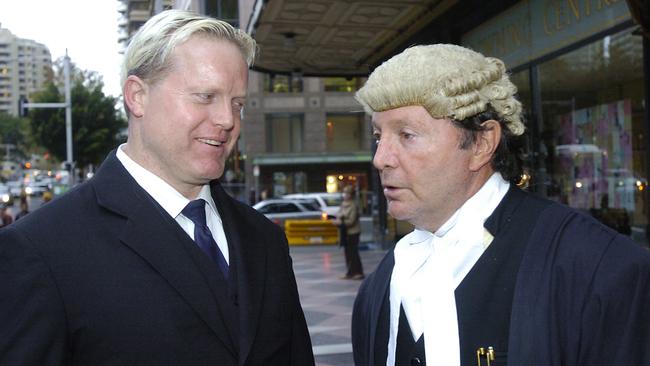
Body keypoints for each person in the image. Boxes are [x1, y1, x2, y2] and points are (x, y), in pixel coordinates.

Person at [0, 10, 314, 366]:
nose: (228, 120)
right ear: (137, 96)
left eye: (237, 104)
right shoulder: (40, 250)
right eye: (204, 96)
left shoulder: (264, 239)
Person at [351, 44, 650, 366]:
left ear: (482, 143)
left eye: (407, 134)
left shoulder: (599, 267)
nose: (380, 159)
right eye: (379, 136)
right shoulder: (384, 280)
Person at [333, 185, 364, 280]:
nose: (345, 195)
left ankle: (358, 272)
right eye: (344, 193)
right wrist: (339, 219)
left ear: (351, 195)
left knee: (353, 253)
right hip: (344, 232)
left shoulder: (353, 205)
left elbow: (351, 221)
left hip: (352, 233)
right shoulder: (343, 204)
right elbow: (338, 214)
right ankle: (350, 272)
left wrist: (340, 221)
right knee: (347, 253)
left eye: (347, 193)